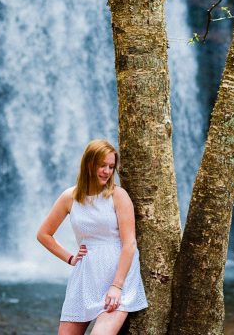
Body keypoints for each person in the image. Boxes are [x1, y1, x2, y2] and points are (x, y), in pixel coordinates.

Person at [37, 139, 147, 334]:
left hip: (118, 276)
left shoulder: (118, 196)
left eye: (111, 167)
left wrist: (116, 286)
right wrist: (70, 258)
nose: (107, 171)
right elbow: (44, 234)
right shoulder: (69, 197)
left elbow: (129, 244)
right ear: (89, 164)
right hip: (85, 277)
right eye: (102, 165)